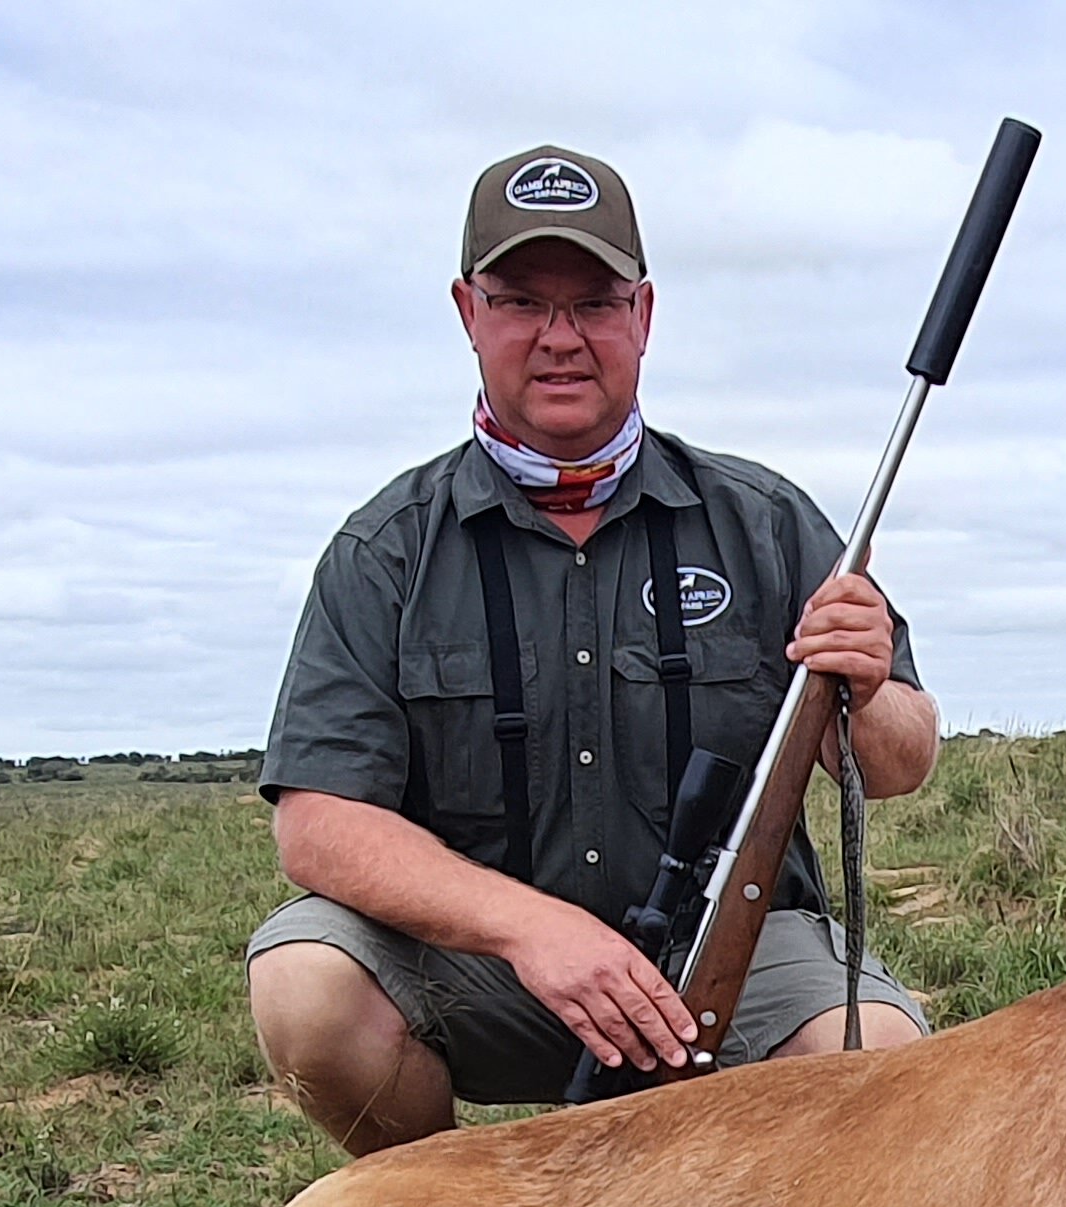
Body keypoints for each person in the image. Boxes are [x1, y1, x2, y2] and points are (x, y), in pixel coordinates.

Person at [246, 143, 935, 1154]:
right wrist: (534, 930)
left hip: (730, 955)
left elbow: (902, 762)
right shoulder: (385, 548)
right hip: (489, 967)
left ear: (644, 316)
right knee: (306, 985)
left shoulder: (766, 520)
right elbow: (318, 824)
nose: (559, 338)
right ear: (467, 313)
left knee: (874, 1047)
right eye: (522, 301)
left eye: (595, 304)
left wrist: (868, 688)